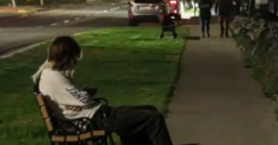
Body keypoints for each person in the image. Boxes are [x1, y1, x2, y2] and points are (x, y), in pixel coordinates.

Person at [32, 36, 174, 145]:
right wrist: (87, 93)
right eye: (75, 59)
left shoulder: (48, 75)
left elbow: (71, 99)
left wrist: (83, 93)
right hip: (93, 119)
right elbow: (84, 100)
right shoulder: (54, 77)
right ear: (67, 57)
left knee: (149, 110)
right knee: (154, 119)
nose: (75, 63)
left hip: (90, 117)